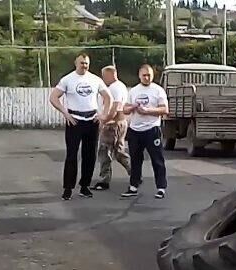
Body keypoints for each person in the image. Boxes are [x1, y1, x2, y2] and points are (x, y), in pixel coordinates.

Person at [49, 52, 112, 201]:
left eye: (86, 63)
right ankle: (68, 188)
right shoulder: (68, 79)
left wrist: (103, 115)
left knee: (89, 156)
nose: (84, 65)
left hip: (92, 121)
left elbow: (108, 97)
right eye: (82, 63)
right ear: (75, 63)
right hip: (74, 121)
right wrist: (65, 113)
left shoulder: (95, 80)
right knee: (71, 155)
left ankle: (85, 186)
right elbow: (53, 97)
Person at [121, 64, 169, 199]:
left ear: (152, 76)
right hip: (135, 130)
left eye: (149, 75)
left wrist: (148, 111)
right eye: (144, 75)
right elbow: (124, 109)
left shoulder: (158, 90)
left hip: (152, 129)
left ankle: (161, 187)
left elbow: (165, 110)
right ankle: (133, 186)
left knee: (157, 159)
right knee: (135, 160)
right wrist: (132, 107)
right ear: (139, 76)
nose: (146, 78)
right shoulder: (133, 91)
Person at [92, 65, 131, 191]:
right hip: (117, 122)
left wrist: (105, 120)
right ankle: (135, 173)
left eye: (104, 76)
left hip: (113, 124)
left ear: (110, 74)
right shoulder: (118, 86)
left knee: (104, 152)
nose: (102, 79)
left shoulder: (115, 87)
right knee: (119, 152)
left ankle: (104, 180)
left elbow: (115, 106)